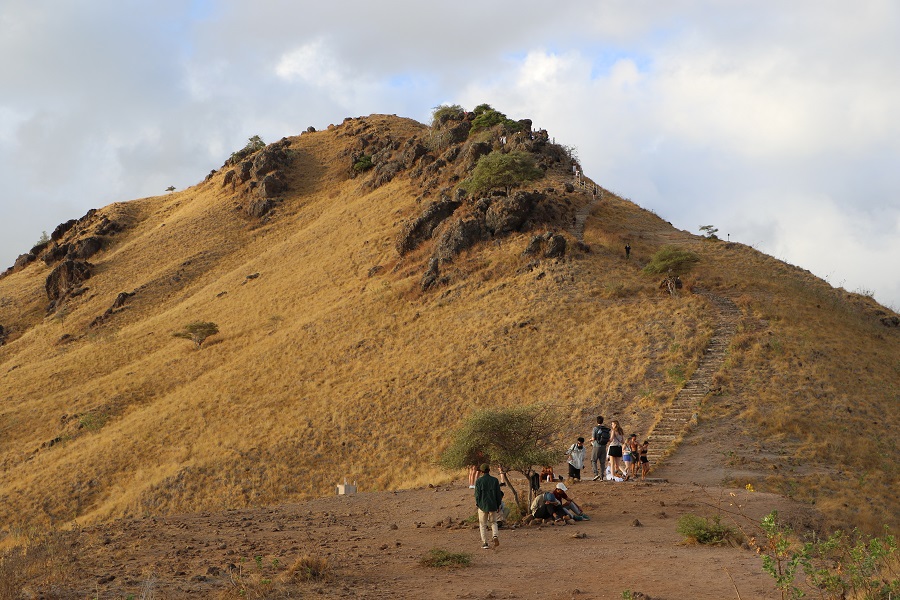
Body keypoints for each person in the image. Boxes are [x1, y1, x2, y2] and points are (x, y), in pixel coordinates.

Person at [474, 463, 503, 549]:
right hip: (493, 505)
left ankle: (485, 543)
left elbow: (477, 495)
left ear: (481, 471)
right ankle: (495, 536)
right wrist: (498, 505)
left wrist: (478, 504)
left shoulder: (479, 481)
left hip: (482, 505)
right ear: (489, 470)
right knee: (493, 522)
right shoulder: (494, 480)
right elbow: (498, 494)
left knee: (483, 524)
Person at [591, 416, 611, 480]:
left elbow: (594, 438)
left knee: (593, 460)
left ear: (597, 421)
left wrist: (590, 440)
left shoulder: (595, 428)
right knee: (602, 462)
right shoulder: (606, 429)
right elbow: (608, 439)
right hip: (604, 446)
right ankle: (602, 476)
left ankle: (596, 474)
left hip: (596, 446)